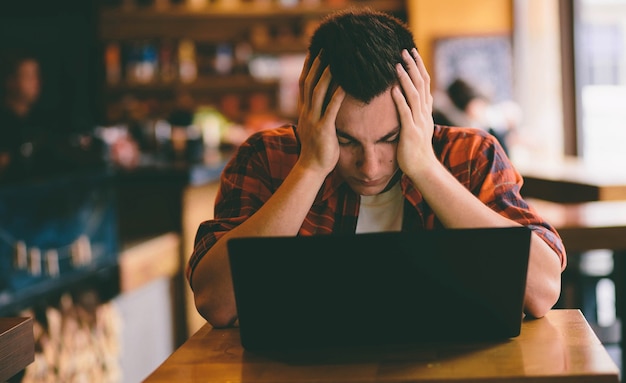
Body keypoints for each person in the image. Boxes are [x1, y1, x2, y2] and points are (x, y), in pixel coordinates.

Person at [187, 8, 567, 328]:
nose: (370, 166)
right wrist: (310, 168)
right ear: (308, 114)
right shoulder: (266, 158)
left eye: (389, 138)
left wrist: (425, 168)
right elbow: (216, 302)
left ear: (420, 109)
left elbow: (541, 291)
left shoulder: (470, 154)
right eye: (346, 140)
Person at [433, 77, 521, 155]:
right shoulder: (460, 132)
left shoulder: (478, 127)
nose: (485, 111)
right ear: (472, 107)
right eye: (483, 105)